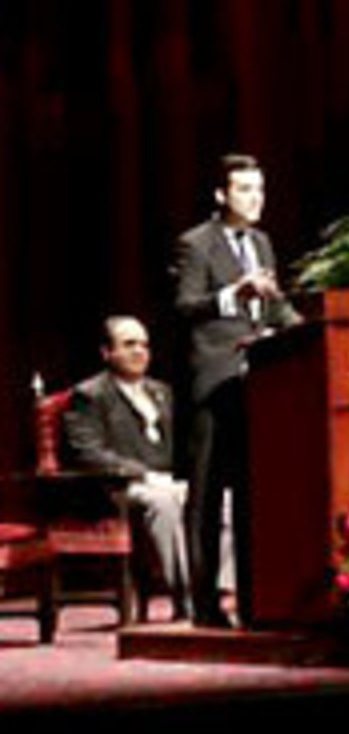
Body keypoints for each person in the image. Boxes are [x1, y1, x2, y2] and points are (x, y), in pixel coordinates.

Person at [172, 153, 300, 627]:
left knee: (252, 494)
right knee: (207, 495)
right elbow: (184, 307)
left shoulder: (262, 242)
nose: (255, 198)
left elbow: (274, 307)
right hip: (215, 382)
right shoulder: (196, 245)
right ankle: (203, 605)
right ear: (221, 195)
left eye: (260, 189)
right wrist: (233, 295)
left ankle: (253, 598)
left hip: (260, 384)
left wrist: (307, 329)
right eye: (245, 189)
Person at [63, 315, 193, 618]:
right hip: (116, 488)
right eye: (129, 344)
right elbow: (88, 452)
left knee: (221, 500)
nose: (140, 352)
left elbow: (183, 446)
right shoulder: (90, 395)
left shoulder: (162, 392)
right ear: (107, 352)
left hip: (167, 479)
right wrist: (144, 474)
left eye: (144, 345)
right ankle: (186, 594)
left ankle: (220, 589)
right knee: (164, 501)